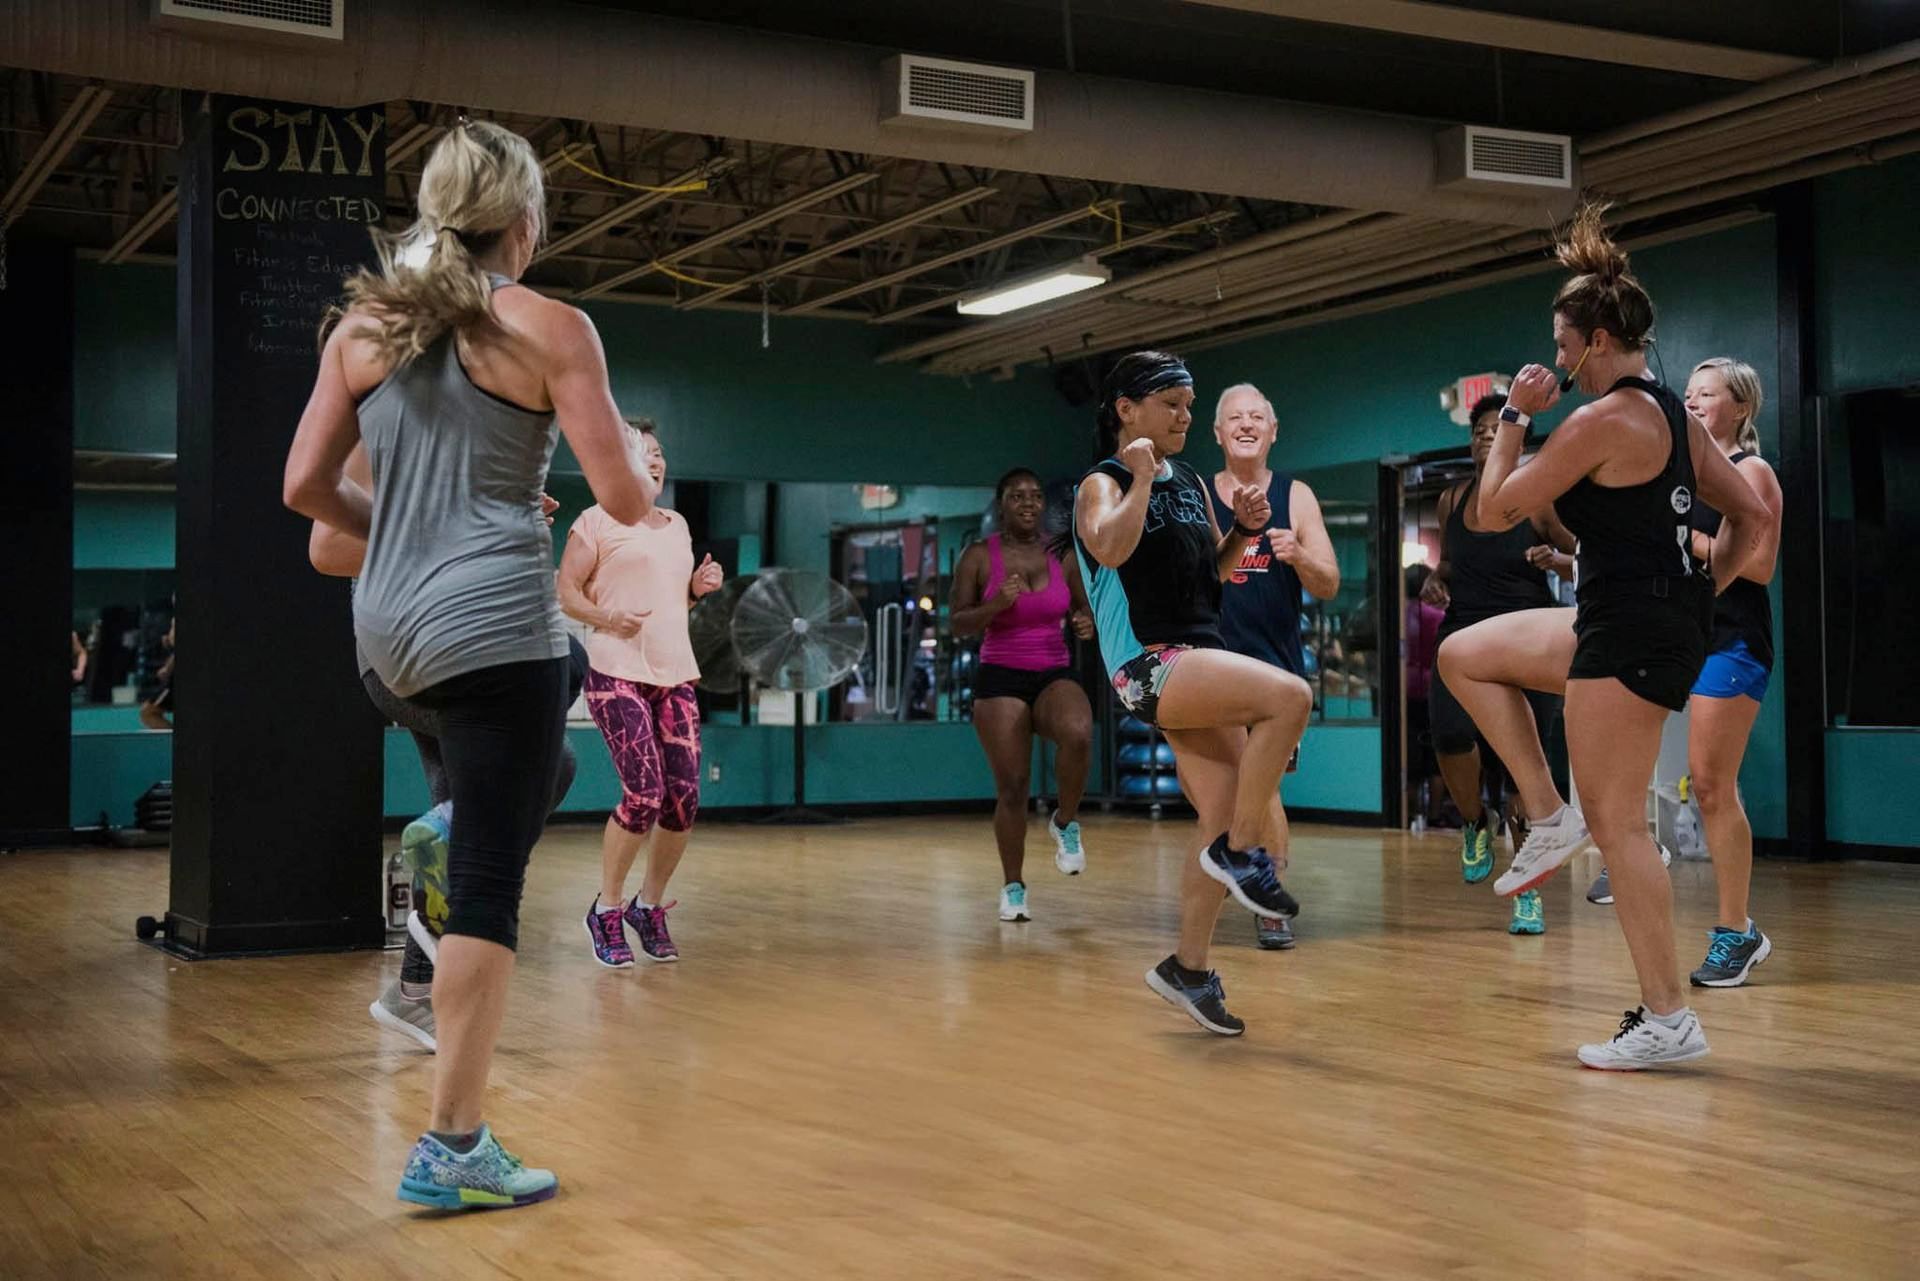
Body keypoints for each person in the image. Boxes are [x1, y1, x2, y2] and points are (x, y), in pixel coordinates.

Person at [284, 119, 654, 1208]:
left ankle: (447, 829)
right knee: (491, 885)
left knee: (514, 777)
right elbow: (627, 500)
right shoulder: (548, 326)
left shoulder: (366, 330)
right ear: (525, 222)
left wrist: (398, 522)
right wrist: (618, 445)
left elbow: (305, 489)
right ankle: (453, 1148)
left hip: (384, 645)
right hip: (492, 633)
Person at [1435, 204, 1769, 1070]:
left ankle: (1668, 1018)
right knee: (1463, 651)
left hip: (1629, 635)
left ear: (1594, 340)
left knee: (1622, 828)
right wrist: (1706, 584)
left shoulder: (1598, 420)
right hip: (1626, 619)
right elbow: (1752, 511)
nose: (1554, 359)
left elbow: (1494, 505)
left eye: (1560, 343)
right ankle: (1546, 816)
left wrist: (1513, 413)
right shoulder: (1673, 417)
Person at [1068, 350, 1312, 1037]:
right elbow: (1110, 549)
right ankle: (1241, 852)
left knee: (1224, 812)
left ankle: (1189, 967)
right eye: (1171, 404)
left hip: (1199, 655)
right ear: (1127, 410)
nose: (1185, 415)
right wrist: (1140, 477)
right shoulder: (1103, 481)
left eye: (1188, 403)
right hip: (1148, 664)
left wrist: (1244, 529)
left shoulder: (1193, 484)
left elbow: (1216, 573)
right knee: (1290, 697)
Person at [309, 448, 584, 1051]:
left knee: (482, 785)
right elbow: (328, 549)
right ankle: (454, 850)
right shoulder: (377, 436)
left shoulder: (475, 443)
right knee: (550, 747)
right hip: (405, 655)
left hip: (473, 643)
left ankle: (411, 992)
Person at [1587, 358, 1782, 988]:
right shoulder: (1683, 472)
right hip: (1679, 635)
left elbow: (1759, 566)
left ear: (1740, 407)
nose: (1693, 402)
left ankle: (1737, 931)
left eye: (1708, 394)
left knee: (1710, 784)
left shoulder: (1752, 473)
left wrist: (1682, 540)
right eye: (1690, 393)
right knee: (1633, 764)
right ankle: (1637, 852)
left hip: (1733, 641)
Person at [557, 419, 722, 967]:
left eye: (658, 451)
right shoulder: (594, 521)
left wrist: (696, 592)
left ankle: (647, 907)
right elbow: (566, 593)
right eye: (640, 452)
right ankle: (606, 909)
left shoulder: (676, 525)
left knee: (684, 800)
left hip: (674, 673)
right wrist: (608, 616)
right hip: (615, 670)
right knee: (644, 793)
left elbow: (671, 603)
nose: (653, 459)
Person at [1421, 392, 1577, 935]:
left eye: (1497, 428)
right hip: (1464, 632)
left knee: (1523, 774)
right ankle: (1472, 821)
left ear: (1517, 439)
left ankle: (1527, 893)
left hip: (1528, 639)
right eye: (1479, 429)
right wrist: (1436, 580)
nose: (1487, 435)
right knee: (1448, 739)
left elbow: (1579, 551)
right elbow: (1448, 564)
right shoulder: (1451, 499)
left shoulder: (1537, 498)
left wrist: (1558, 559)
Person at [1204, 383, 1339, 950]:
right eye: (1235, 416)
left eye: (1258, 415)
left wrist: (1298, 554)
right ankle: (1252, 889)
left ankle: (1269, 895)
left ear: (1273, 431)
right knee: (1235, 784)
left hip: (1277, 671)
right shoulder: (1200, 494)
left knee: (1263, 789)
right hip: (1211, 665)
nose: (1246, 423)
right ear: (1218, 433)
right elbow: (1195, 579)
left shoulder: (1296, 495)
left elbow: (1328, 582)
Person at [950, 467, 1097, 921]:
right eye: (1017, 497)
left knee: (1078, 731)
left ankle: (1065, 822)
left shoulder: (1062, 554)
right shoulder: (979, 556)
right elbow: (957, 625)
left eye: (1035, 495)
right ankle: (1013, 887)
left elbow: (1082, 607)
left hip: (1052, 670)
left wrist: (1084, 622)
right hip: (1000, 677)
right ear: (1002, 506)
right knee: (1013, 788)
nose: (1029, 503)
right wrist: (996, 605)